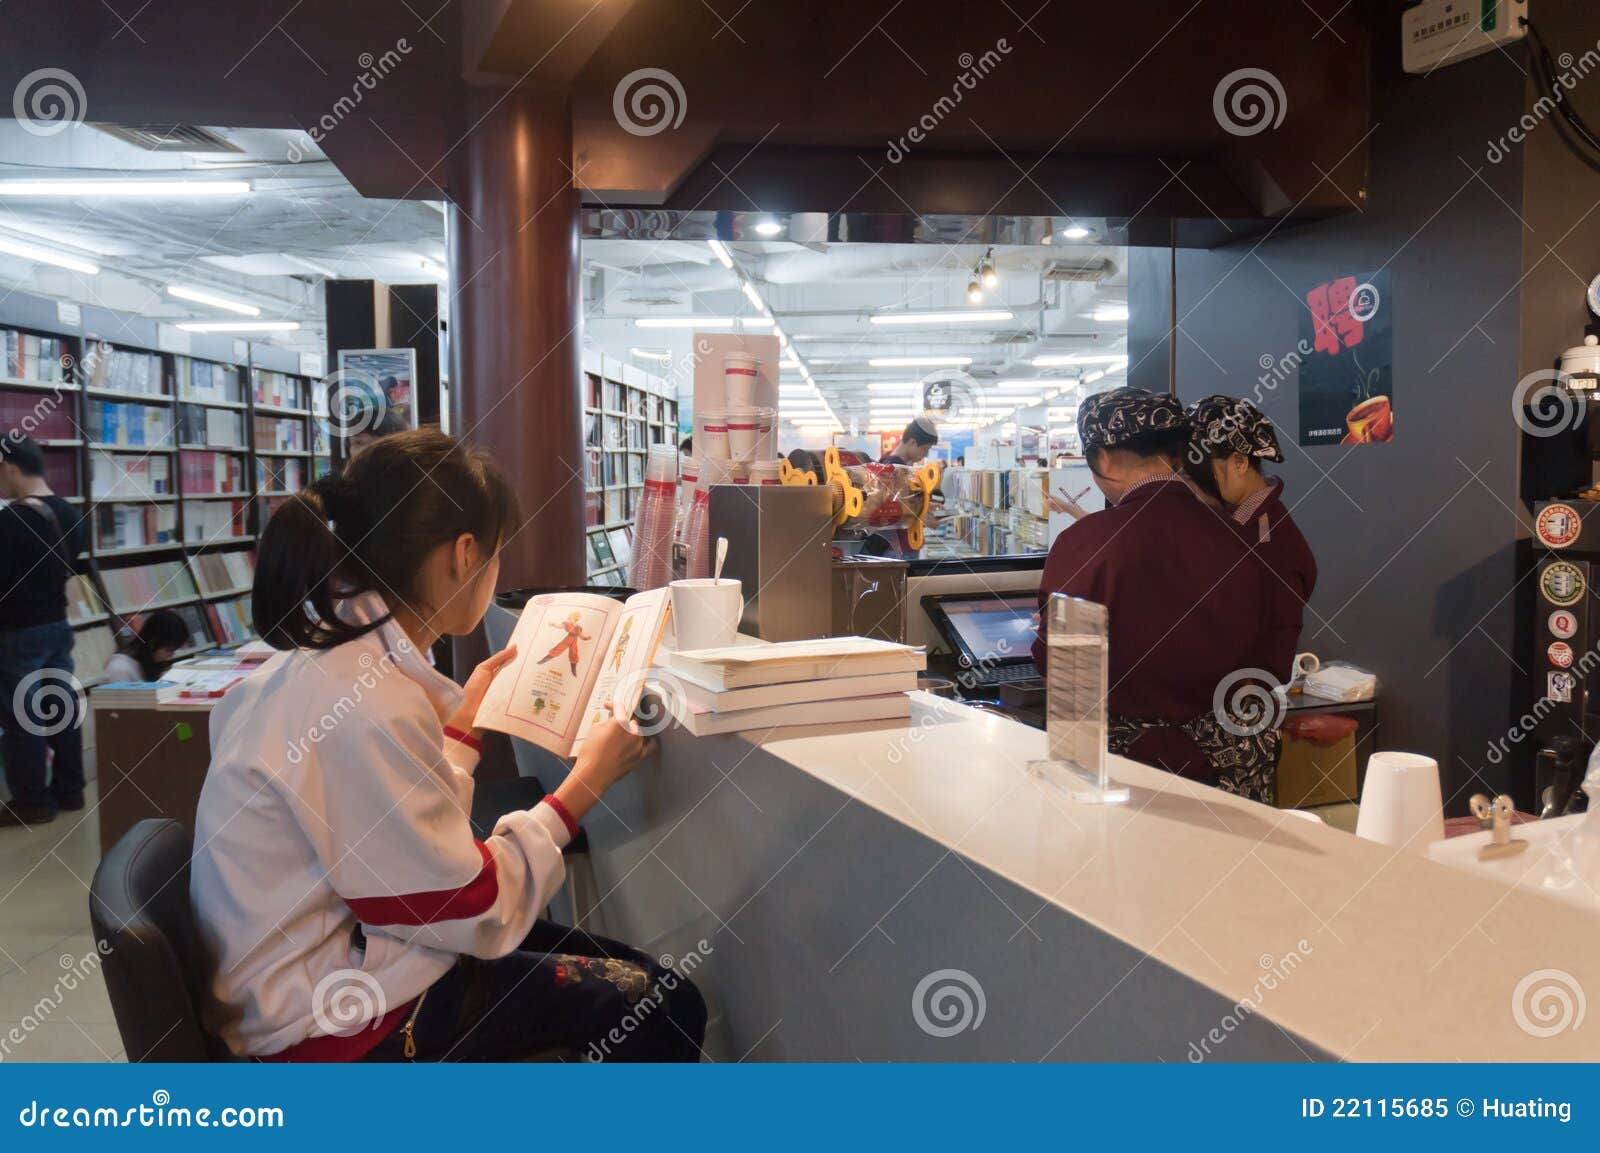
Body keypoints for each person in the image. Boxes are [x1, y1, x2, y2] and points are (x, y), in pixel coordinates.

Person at [190, 429, 706, 1061]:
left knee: (627, 972)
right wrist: (586, 785)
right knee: (666, 1004)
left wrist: (460, 734)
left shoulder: (324, 664)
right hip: (338, 1031)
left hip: (326, 969)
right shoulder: (367, 701)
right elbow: (471, 906)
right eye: (496, 557)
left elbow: (399, 846)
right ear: (463, 555)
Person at [1032, 388, 1278, 800]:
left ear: (1104, 459)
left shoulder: (1085, 543)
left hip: (1126, 767)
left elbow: (1059, 665)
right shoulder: (1239, 534)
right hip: (1234, 765)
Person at [1185, 395, 1317, 684]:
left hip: (1240, 708)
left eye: (1197, 477)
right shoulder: (1231, 523)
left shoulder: (1275, 544)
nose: (1194, 490)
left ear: (1239, 463)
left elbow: (1272, 657)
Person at [0, 435, 87, 826]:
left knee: (23, 716)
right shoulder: (69, 513)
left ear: (11, 469)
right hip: (57, 623)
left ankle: (32, 802)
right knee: (60, 708)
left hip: (18, 630)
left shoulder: (9, 521)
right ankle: (70, 791)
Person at [102, 608, 188, 683]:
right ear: (152, 643)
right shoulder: (119, 669)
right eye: (169, 649)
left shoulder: (149, 663)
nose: (171, 655)